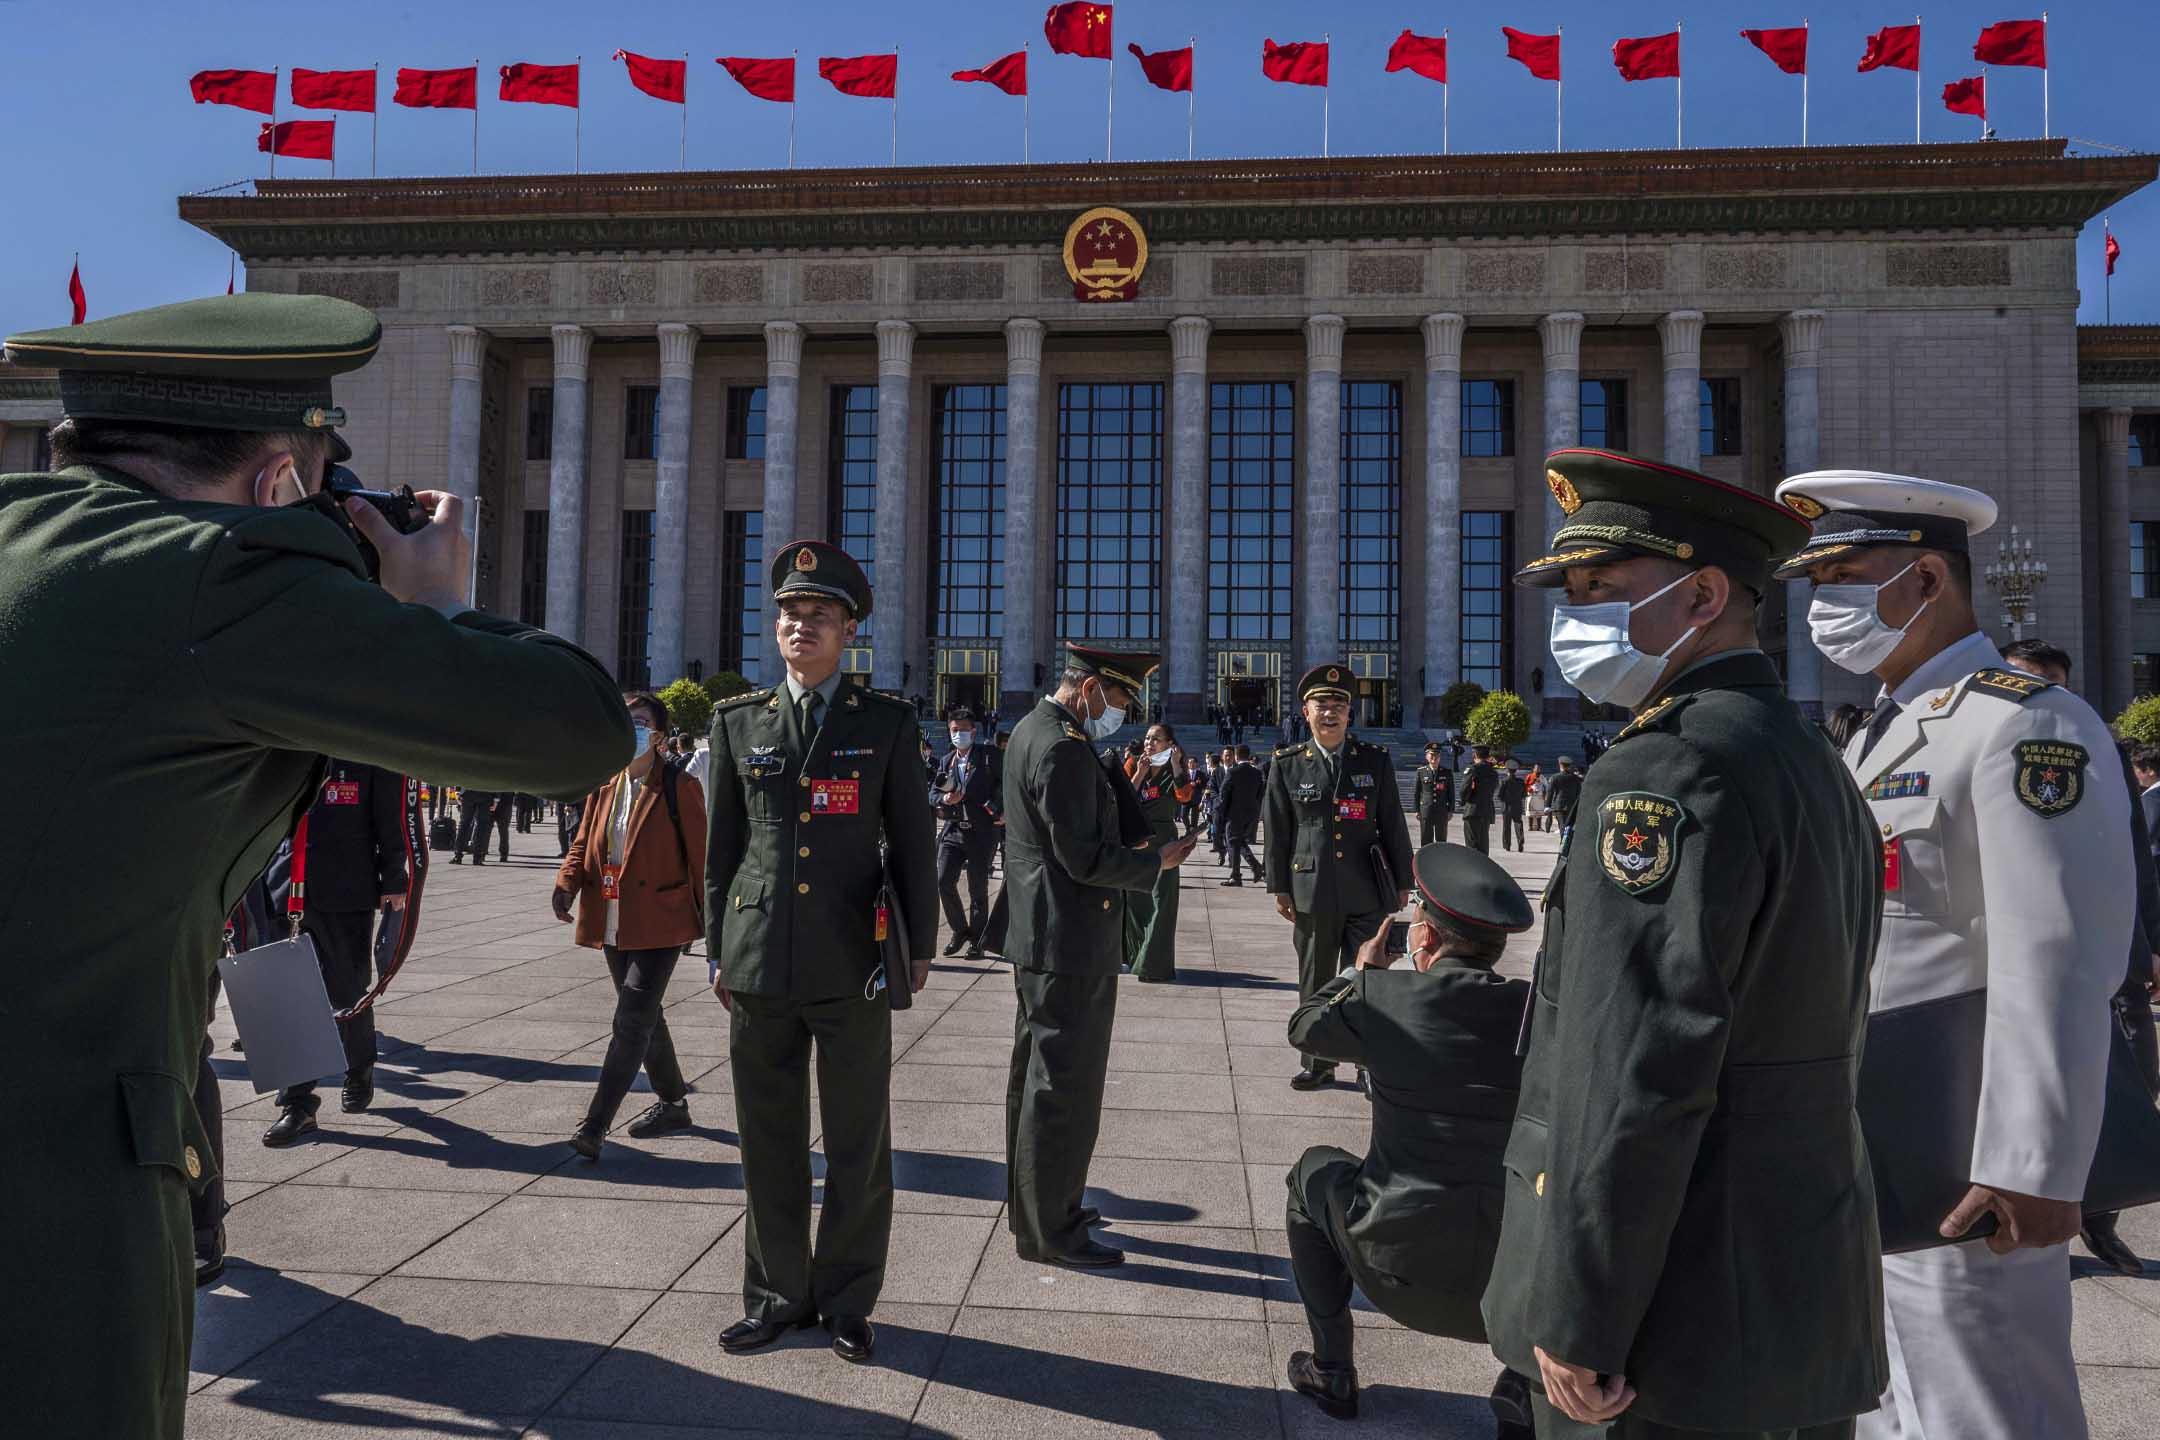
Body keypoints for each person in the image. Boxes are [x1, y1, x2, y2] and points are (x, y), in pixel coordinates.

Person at [0, 292, 633, 1440]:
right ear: (282, 484)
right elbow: (579, 729)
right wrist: (440, 601)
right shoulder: (213, 579)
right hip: (45, 1194)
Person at [1484, 448, 1887, 1438]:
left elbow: (1641, 1067)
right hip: (1785, 1292)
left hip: (1672, 1321)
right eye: (1570, 595)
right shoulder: (1802, 757)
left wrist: (1584, 1310)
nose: (1575, 621)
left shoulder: (1667, 771)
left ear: (1704, 594)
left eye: (1603, 592)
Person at [1775, 471, 2131, 1439]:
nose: (1825, 606)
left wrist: (2036, 1165)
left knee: (1986, 1412)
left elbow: (2054, 955)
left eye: (1847, 576)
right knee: (1891, 1410)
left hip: (1971, 1171)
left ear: (1928, 579)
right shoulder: (1876, 736)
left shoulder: (2025, 726)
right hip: (1880, 1159)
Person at [704, 539, 935, 1364]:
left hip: (853, 961)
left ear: (849, 634)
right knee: (766, 1139)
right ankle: (774, 1296)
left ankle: (845, 1299)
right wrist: (715, 949)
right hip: (760, 957)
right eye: (792, 614)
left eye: (821, 615)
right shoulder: (737, 722)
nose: (803, 625)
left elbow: (912, 844)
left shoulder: (885, 724)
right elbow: (722, 849)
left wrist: (920, 944)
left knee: (856, 1141)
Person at [1284, 842, 1538, 1434]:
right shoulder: (1535, 1012)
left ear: (1421, 940)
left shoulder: (1386, 997)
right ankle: (1523, 1388)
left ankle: (1332, 1369)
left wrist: (1361, 970)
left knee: (1310, 1173)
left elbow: (1305, 1029)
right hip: (1512, 1291)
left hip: (1394, 1269)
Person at [1003, 646, 1197, 1268]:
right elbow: (1079, 856)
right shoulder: (1061, 745)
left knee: (1035, 1079)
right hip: (1068, 936)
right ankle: (1051, 1231)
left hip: (1045, 934)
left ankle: (1038, 1207)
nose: (1121, 714)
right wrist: (1154, 862)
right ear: (1088, 689)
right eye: (1117, 701)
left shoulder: (1035, 731)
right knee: (1064, 1086)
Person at [1998, 643, 2160, 1279]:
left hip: (2113, 955)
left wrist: (2148, 945)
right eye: (2030, 682)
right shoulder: (1992, 743)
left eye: (2055, 685)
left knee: (2127, 1088)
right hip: (2022, 954)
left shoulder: (2099, 751)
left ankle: (2104, 1218)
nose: (2045, 696)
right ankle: (2039, 1225)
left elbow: (2134, 858)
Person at [553, 691, 708, 1162]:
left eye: (640, 723)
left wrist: (715, 929)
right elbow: (584, 842)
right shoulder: (606, 783)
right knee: (644, 1015)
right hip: (613, 915)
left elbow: (702, 859)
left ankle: (595, 1124)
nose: (631, 730)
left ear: (658, 736)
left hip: (662, 920)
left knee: (631, 1019)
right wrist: (567, 883)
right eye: (625, 722)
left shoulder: (679, 786)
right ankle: (675, 1102)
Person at [1263, 663, 1416, 1091]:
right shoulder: (1287, 764)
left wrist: (1403, 881)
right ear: (1305, 712)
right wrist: (1278, 887)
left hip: (1366, 889)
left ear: (1351, 714)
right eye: (1321, 706)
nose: (1330, 714)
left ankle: (1368, 1063)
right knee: (1316, 980)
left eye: (1338, 707)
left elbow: (1393, 825)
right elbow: (1277, 832)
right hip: (1310, 890)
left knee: (1368, 979)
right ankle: (1319, 1063)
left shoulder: (1374, 761)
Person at [260, 758, 415, 1146]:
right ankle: (297, 1104)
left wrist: (394, 877)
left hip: (347, 887)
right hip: (284, 887)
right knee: (292, 996)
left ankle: (359, 1067)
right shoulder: (288, 741)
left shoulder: (366, 746)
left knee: (348, 989)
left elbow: (391, 816)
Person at [1124, 723, 1194, 983]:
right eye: (1147, 738)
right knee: (1135, 901)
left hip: (1164, 842)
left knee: (1162, 903)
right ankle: (1135, 957)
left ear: (1169, 744)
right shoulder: (1133, 763)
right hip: (1137, 840)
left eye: (1156, 739)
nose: (1149, 743)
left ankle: (1153, 965)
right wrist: (1140, 773)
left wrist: (1176, 764)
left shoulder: (1173, 767)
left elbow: (1185, 796)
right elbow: (1123, 798)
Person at [932, 706, 1002, 959]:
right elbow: (933, 793)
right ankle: (960, 930)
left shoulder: (988, 756)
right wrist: (945, 799)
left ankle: (978, 939)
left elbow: (1006, 783)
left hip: (981, 831)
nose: (958, 734)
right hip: (953, 831)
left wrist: (1003, 810)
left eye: (963, 730)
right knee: (943, 881)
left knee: (977, 888)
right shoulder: (946, 760)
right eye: (954, 730)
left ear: (973, 731)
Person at [1216, 742, 1267, 886]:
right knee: (1238, 841)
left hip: (1234, 813)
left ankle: (1238, 875)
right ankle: (1254, 868)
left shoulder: (1233, 772)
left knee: (1233, 841)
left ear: (1236, 756)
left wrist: (1220, 811)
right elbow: (1259, 793)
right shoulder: (1257, 772)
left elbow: (1224, 793)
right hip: (1251, 813)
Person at [1412, 742, 1456, 845]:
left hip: (1441, 811)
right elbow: (1417, 792)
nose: (1434, 757)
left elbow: (1451, 793)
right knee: (1426, 839)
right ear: (1426, 756)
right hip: (1426, 811)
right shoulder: (1421, 772)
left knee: (1441, 840)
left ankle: (1440, 860)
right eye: (1431, 754)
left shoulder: (1447, 772)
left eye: (1437, 755)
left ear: (1440, 757)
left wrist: (1451, 810)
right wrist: (1416, 810)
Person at [1460, 744, 1500, 855]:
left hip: (1473, 810)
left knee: (1472, 845)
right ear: (1488, 756)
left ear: (1475, 755)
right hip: (1487, 810)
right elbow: (1494, 788)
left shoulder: (1473, 769)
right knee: (1483, 845)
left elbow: (1464, 789)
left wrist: (1463, 800)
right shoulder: (1493, 772)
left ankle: (1473, 870)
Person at [1544, 754, 1584, 848]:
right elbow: (1579, 793)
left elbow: (1550, 793)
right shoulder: (1576, 778)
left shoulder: (1555, 777)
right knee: (1569, 827)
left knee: (1562, 827)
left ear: (1560, 765)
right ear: (1569, 765)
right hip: (1572, 806)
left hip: (1559, 806)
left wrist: (1547, 806)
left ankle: (1564, 847)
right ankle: (1568, 846)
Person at [1497, 762, 1527, 851]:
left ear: (1507, 770)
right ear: (1516, 771)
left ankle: (1507, 845)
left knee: (1506, 827)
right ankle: (1520, 840)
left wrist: (1505, 800)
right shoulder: (1521, 782)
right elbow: (1524, 794)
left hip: (1507, 807)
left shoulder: (1504, 781)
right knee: (1518, 824)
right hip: (1517, 806)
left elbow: (1499, 795)